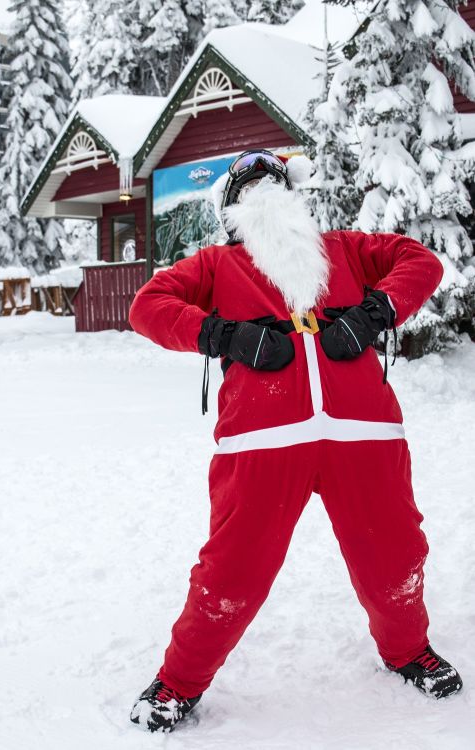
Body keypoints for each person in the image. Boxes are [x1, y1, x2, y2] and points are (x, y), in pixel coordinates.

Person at [128, 149, 462, 733]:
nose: (262, 194)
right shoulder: (215, 265)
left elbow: (419, 261)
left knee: (396, 553)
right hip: (261, 443)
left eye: (272, 183)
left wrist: (372, 313)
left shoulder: (345, 250)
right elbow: (147, 306)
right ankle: (178, 682)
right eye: (248, 187)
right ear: (230, 212)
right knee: (232, 570)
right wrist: (224, 335)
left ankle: (408, 651)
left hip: (365, 435)